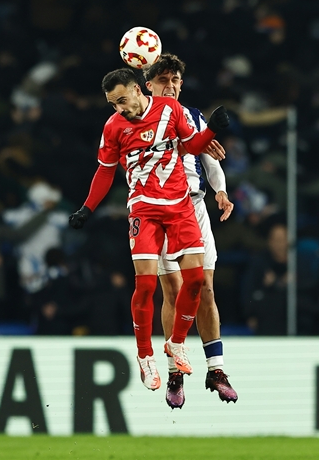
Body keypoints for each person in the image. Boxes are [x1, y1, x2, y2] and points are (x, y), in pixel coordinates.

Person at [68, 68, 229, 392]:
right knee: (148, 286)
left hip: (182, 206)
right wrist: (87, 208)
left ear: (138, 89)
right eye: (113, 104)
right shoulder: (114, 127)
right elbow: (104, 171)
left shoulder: (171, 110)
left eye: (122, 100)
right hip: (144, 208)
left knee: (197, 282)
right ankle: (146, 357)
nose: (119, 108)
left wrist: (211, 130)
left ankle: (178, 345)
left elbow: (192, 144)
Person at [143, 54, 238, 407]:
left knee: (206, 290)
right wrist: (196, 141)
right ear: (148, 86)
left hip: (195, 207)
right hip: (163, 209)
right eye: (163, 80)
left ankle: (216, 369)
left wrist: (221, 192)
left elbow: (210, 161)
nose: (170, 86)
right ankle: (175, 371)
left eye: (175, 80)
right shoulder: (139, 120)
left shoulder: (193, 116)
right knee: (174, 292)